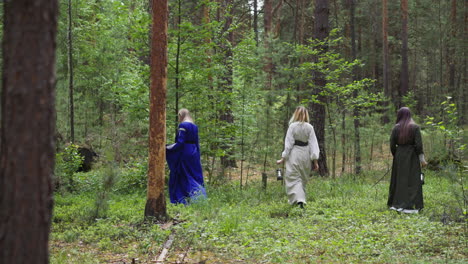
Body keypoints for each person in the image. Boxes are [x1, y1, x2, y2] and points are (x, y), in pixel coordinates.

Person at [277, 106, 320, 208]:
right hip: (305, 155)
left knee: (293, 178)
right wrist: (315, 161)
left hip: (294, 154)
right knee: (302, 178)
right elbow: (314, 145)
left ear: (296, 114)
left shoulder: (292, 126)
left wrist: (283, 158)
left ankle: (299, 200)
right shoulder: (309, 127)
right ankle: (300, 199)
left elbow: (288, 144)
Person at [388, 107, 427, 213]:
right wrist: (422, 160)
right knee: (413, 181)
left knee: (399, 180)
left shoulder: (396, 127)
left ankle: (396, 204)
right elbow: (419, 146)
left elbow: (392, 145)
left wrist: (397, 156)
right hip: (412, 157)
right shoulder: (415, 127)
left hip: (399, 156)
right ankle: (412, 205)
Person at [166, 109, 207, 204]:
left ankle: (188, 199)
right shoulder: (194, 126)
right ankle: (199, 197)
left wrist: (167, 147)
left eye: (179, 116)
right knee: (193, 174)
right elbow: (197, 143)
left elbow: (180, 143)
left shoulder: (183, 125)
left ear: (181, 115)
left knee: (184, 174)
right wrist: (197, 155)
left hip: (185, 152)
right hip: (194, 153)